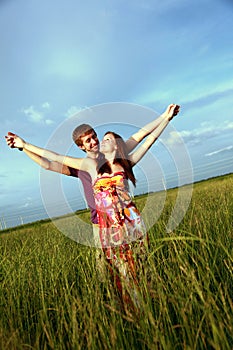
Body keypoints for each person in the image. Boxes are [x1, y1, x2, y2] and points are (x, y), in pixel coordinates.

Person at [5, 103, 180, 308]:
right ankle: (118, 305)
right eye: (89, 140)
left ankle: (146, 303)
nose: (94, 141)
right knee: (107, 269)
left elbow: (142, 136)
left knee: (138, 264)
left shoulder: (117, 155)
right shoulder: (83, 166)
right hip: (102, 225)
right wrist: (23, 146)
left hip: (128, 219)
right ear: (82, 146)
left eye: (95, 136)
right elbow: (49, 161)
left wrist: (165, 117)